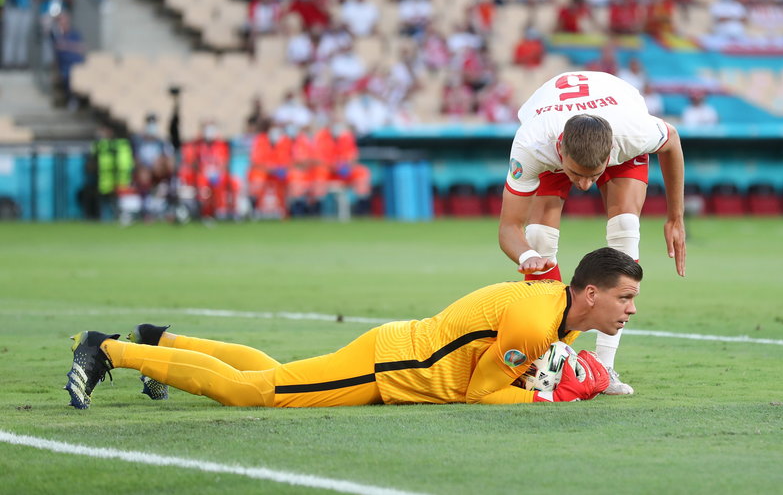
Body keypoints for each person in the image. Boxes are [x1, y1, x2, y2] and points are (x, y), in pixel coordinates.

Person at [64, 247, 641, 409]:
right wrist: (546, 398)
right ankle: (109, 349)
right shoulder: (538, 322)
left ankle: (158, 338)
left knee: (272, 372)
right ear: (591, 292)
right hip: (392, 369)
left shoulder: (556, 313)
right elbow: (479, 393)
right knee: (255, 393)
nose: (630, 309)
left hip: (394, 355)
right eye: (625, 297)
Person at [498, 72, 686, 396]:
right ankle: (553, 357)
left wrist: (675, 217)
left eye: (593, 176)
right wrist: (528, 256)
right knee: (539, 237)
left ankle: (605, 366)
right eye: (575, 174)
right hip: (549, 126)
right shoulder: (532, 145)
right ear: (561, 152)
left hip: (617, 111)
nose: (584, 186)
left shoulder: (632, 132)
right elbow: (509, 228)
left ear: (610, 153)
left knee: (626, 229)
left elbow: (673, 143)